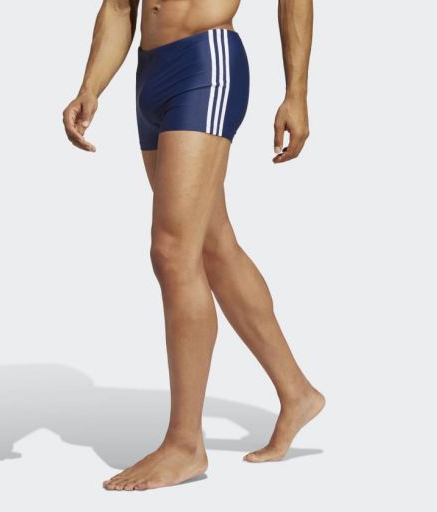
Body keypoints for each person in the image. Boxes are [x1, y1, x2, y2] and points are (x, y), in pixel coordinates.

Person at [62, 0, 324, 492]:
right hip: (150, 73)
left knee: (171, 251)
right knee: (211, 242)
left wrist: (297, 93)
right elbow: (119, 7)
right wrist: (90, 86)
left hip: (208, 64)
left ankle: (185, 444)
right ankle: (298, 393)